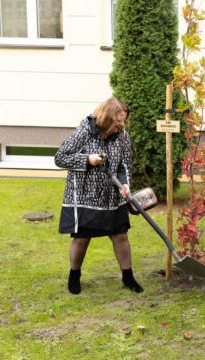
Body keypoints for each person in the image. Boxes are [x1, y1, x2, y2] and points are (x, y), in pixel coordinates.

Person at [55, 97, 143, 295]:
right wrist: (88, 159)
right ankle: (74, 276)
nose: (121, 125)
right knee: (82, 238)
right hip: (85, 195)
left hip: (112, 197)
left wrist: (125, 184)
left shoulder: (122, 136)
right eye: (118, 121)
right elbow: (60, 158)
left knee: (120, 235)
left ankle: (128, 277)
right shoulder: (85, 132)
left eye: (123, 121)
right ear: (106, 117)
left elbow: (124, 164)